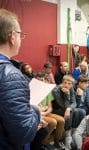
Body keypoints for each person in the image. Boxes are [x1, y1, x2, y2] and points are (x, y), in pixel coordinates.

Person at [0, 9, 40, 150]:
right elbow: (23, 134)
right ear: (12, 37)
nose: (21, 39)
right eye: (20, 34)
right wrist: (35, 111)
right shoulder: (11, 75)